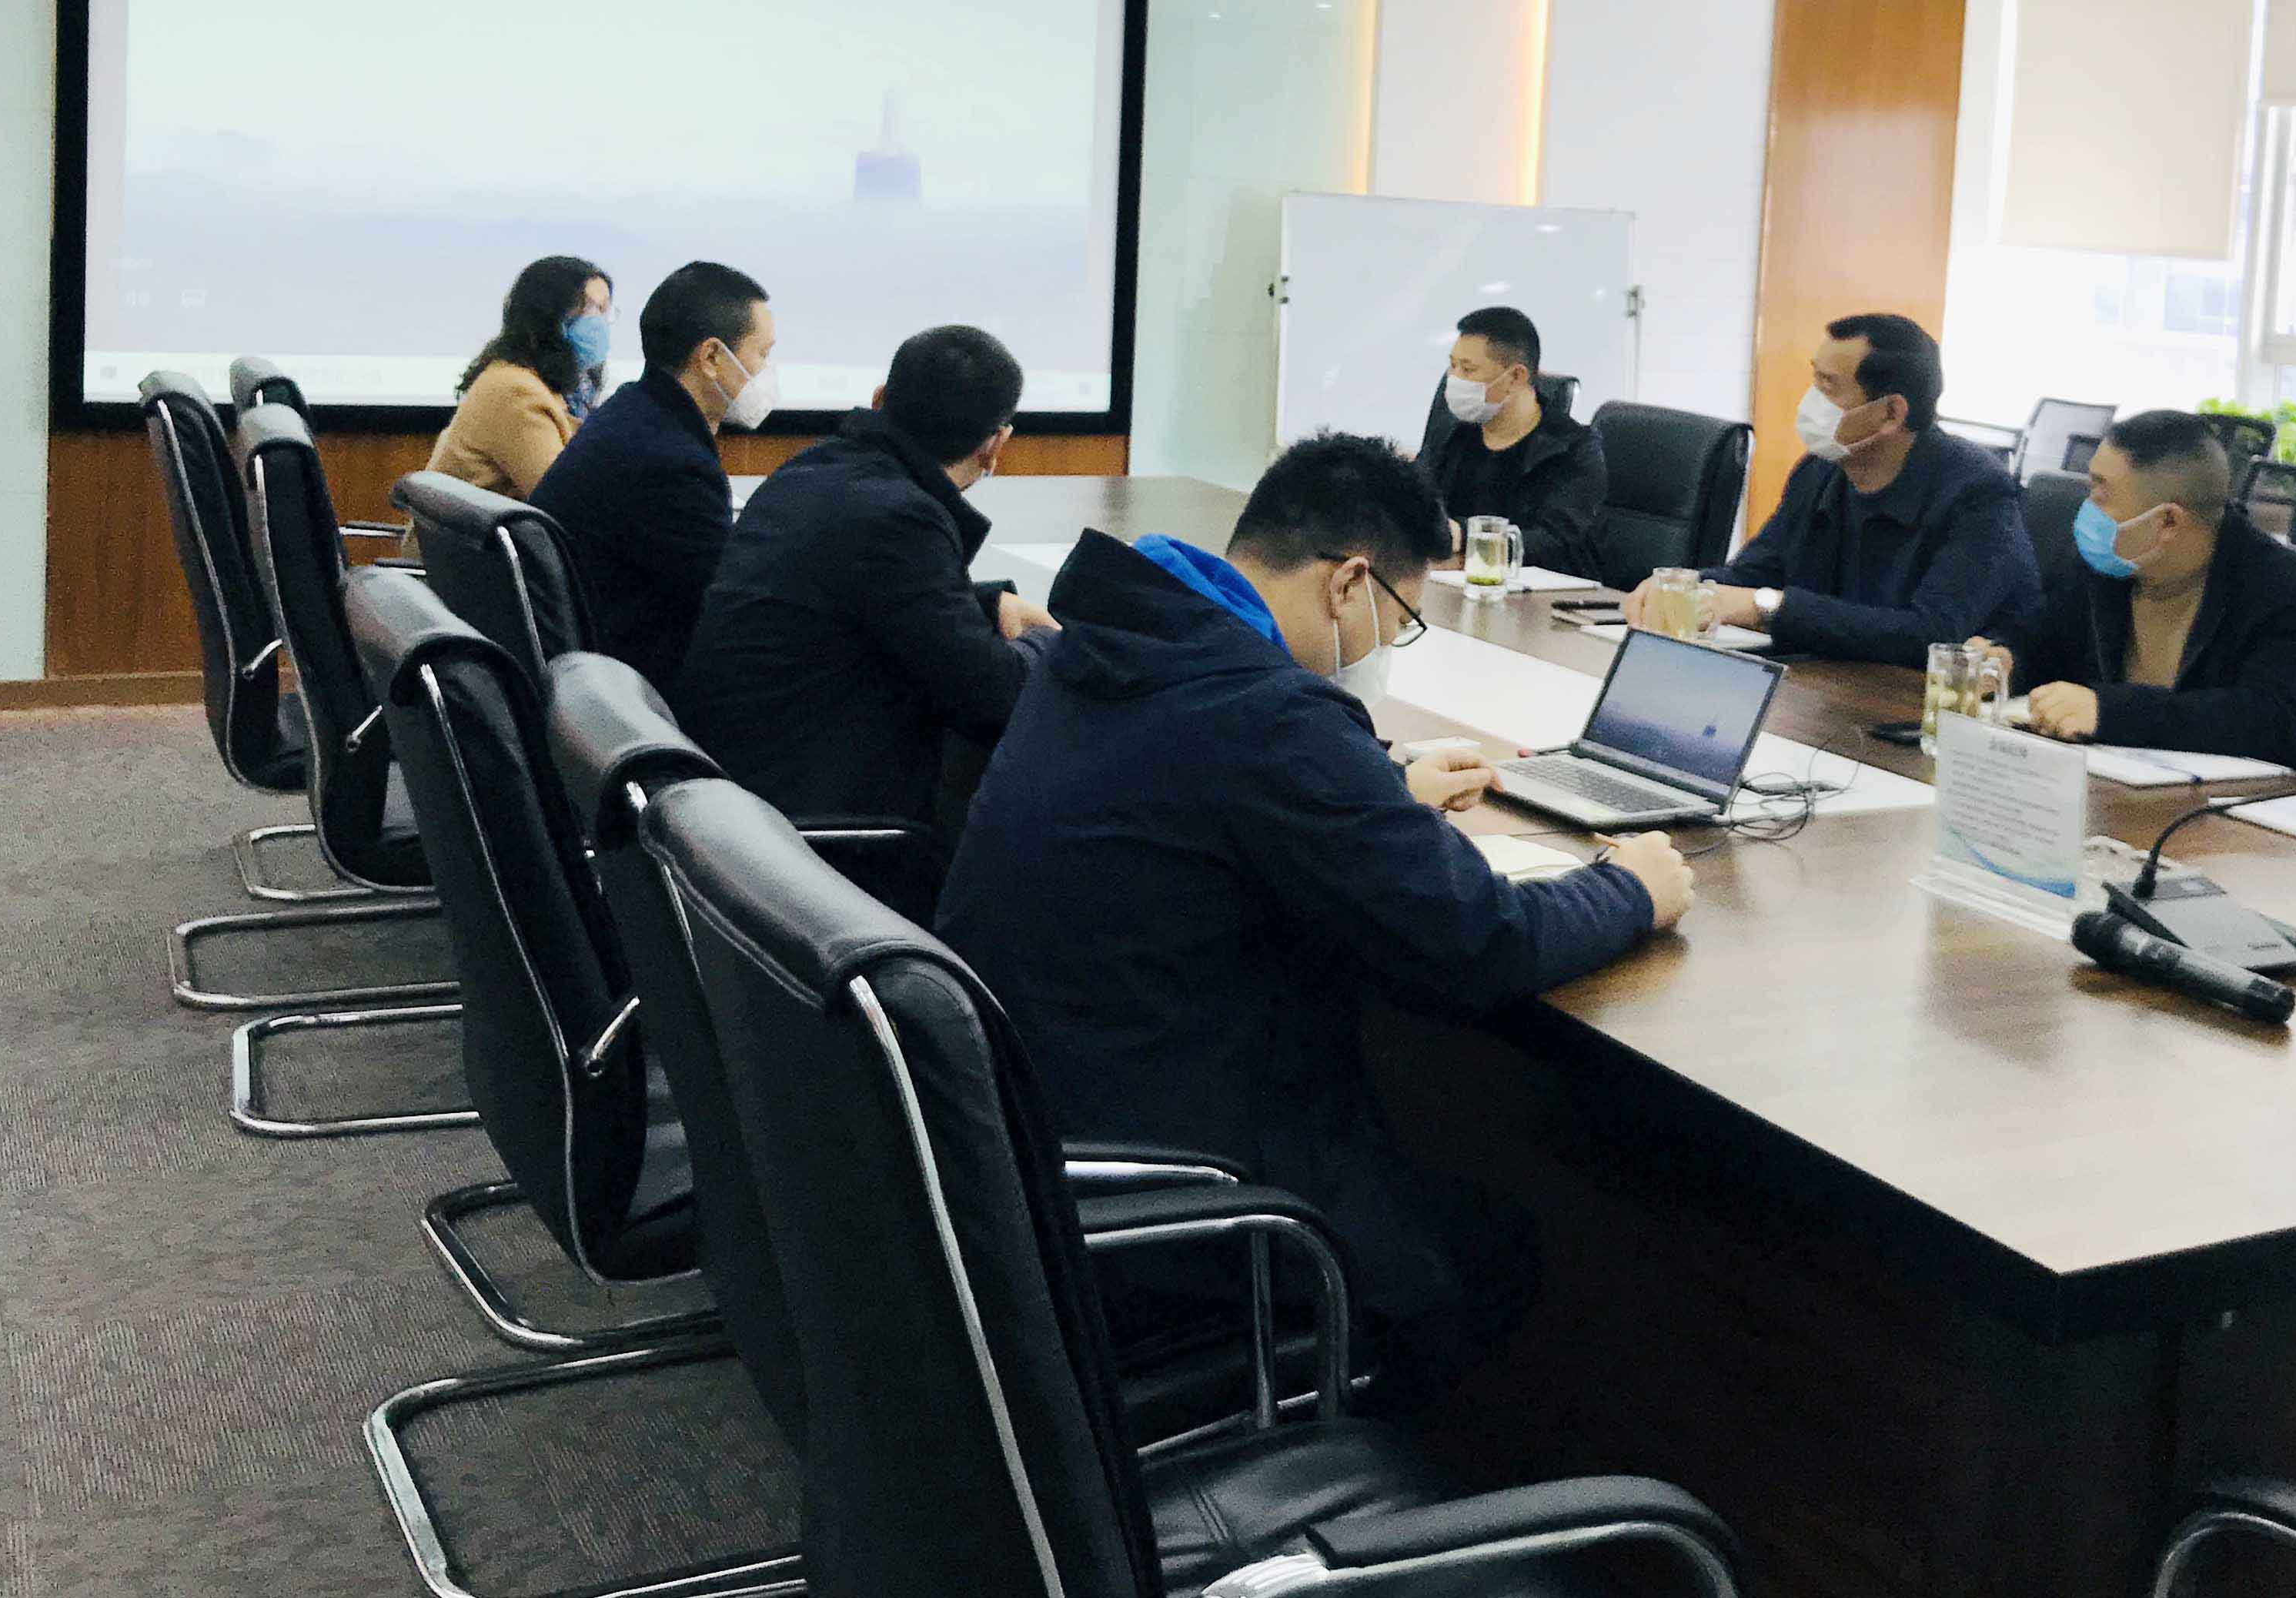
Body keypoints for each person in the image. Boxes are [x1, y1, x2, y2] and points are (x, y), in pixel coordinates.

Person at [934, 432, 1695, 1407]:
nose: (1386, 648)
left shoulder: (1118, 643)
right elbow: (1480, 940)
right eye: (1399, 619)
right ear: (1349, 584)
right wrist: (1630, 889)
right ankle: (1364, 1477)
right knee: (1494, 1251)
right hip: (1178, 1194)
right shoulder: (1270, 718)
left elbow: (1201, 784)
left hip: (1032, 1140)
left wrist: (1373, 787)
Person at [673, 325, 1052, 864]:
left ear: (879, 399)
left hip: (734, 797)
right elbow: (993, 699)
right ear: (996, 444)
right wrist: (1048, 646)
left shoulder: (813, 470)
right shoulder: (900, 518)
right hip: (803, 837)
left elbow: (873, 604)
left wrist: (989, 605)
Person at [1624, 313, 2040, 662]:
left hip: (1915, 709)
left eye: (1829, 387)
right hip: (1824, 688)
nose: (1811, 401)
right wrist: (1683, 587)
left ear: (1891, 413)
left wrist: (1767, 608)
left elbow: (1929, 635)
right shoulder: (1818, 472)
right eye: (1814, 380)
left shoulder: (1977, 493)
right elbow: (1753, 573)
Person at [2000, 410, 2296, 770]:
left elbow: (2274, 720)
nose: (2088, 506)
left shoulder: (2289, 593)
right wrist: (2008, 661)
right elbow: (2045, 640)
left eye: (2102, 491)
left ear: (2168, 521)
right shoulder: (2104, 564)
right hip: (2112, 779)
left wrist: (2111, 712)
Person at [530, 260, 774, 697]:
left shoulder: (634, 412)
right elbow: (736, 611)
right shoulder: (673, 464)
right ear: (712, 357)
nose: (766, 371)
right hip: (629, 698)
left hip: (585, 679)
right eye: (763, 353)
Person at [1415, 306, 1606, 581]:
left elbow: (1560, 545)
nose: (1454, 379)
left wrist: (1466, 538)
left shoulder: (1573, 449)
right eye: (1453, 365)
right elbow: (1417, 503)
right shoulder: (1452, 434)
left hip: (1537, 597)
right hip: (1451, 586)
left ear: (1516, 377)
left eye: (1468, 369)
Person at [419, 255, 612, 507]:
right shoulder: (516, 391)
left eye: (605, 310)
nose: (600, 323)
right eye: (591, 309)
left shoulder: (552, 388)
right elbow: (567, 502)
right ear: (550, 316)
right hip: (479, 534)